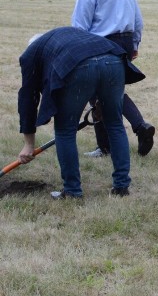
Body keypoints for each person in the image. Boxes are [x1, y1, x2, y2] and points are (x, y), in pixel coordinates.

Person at [17, 28, 145, 199]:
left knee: (65, 131)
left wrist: (28, 144)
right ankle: (121, 187)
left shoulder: (31, 55)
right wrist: (100, 101)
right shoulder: (65, 37)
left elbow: (27, 99)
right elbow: (96, 63)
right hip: (114, 60)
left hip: (82, 65)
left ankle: (72, 191)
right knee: (115, 124)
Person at [70, 0, 156, 158]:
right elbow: (137, 17)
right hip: (124, 41)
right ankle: (139, 128)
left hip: (100, 44)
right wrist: (134, 43)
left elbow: (80, 26)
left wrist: (76, 53)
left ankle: (106, 145)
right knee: (111, 91)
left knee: (97, 92)